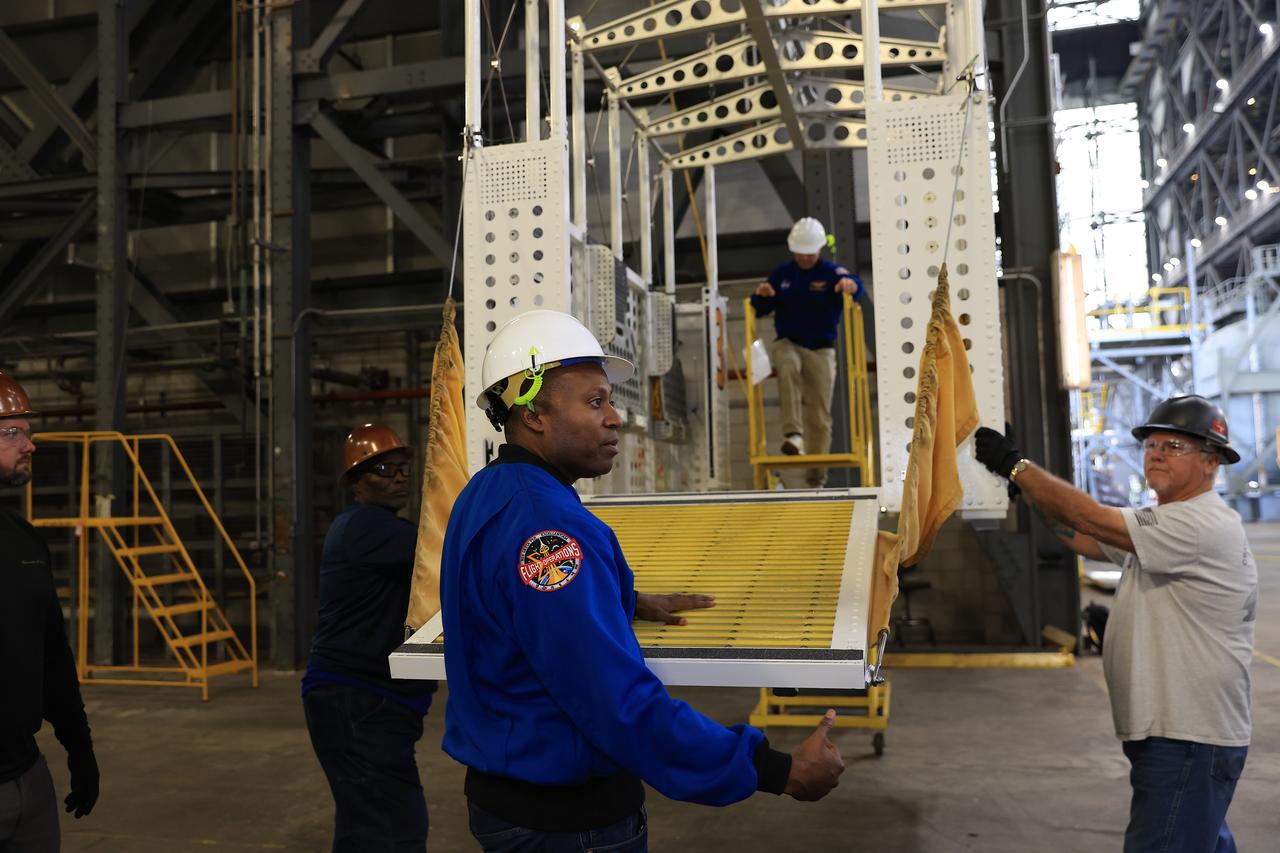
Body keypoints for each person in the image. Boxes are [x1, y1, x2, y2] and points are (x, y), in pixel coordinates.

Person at [440, 310, 846, 852]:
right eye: (594, 401)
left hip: (507, 800)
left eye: (610, 400)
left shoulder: (487, 494)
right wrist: (774, 769)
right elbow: (616, 704)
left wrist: (617, 599)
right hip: (568, 823)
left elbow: (511, 612)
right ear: (533, 413)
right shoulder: (550, 529)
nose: (615, 418)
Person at [974, 395, 1256, 853]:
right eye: (1151, 445)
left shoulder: (1198, 523)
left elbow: (1087, 515)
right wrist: (1029, 490)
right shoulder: (1167, 524)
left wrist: (1016, 466)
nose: (1156, 453)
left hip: (1187, 737)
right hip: (1181, 737)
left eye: (1173, 446)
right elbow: (1082, 536)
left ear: (1211, 462)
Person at [302, 423, 438, 852]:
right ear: (356, 482)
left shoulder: (381, 529)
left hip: (365, 702)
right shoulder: (367, 527)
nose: (398, 477)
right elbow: (448, 551)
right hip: (356, 700)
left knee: (371, 827)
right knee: (391, 831)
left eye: (402, 469)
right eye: (384, 469)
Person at [0, 370, 99, 853]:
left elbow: (53, 658)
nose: (29, 445)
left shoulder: (26, 540)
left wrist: (79, 748)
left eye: (27, 432)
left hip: (27, 777)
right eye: (12, 432)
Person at [750, 216, 864, 487]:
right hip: (788, 342)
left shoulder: (830, 272)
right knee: (787, 365)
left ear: (819, 249)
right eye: (799, 254)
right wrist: (763, 294)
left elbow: (855, 285)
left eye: (809, 253)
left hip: (821, 350)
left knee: (820, 413)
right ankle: (793, 435)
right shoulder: (783, 274)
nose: (804, 258)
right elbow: (760, 305)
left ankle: (816, 473)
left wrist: (851, 286)